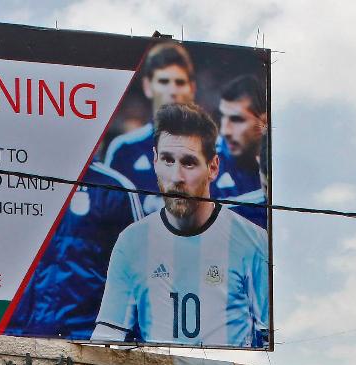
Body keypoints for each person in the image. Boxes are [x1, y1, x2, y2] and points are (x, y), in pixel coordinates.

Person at [92, 103, 269, 348]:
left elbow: (270, 339)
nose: (176, 177)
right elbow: (108, 334)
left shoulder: (253, 241)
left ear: (213, 167)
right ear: (154, 161)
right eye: (167, 160)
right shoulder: (131, 242)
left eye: (189, 163)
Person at [2, 161, 143, 339]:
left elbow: (140, 276)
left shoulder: (115, 189)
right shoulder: (7, 178)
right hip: (15, 335)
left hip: (84, 339)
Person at [104, 42, 197, 215]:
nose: (172, 90)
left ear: (192, 88)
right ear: (148, 86)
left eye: (179, 82)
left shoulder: (215, 148)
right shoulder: (123, 149)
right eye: (163, 81)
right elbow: (107, 214)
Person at [213, 74, 268, 202]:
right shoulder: (208, 164)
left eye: (236, 119)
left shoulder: (283, 168)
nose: (225, 131)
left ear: (264, 122)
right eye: (222, 116)